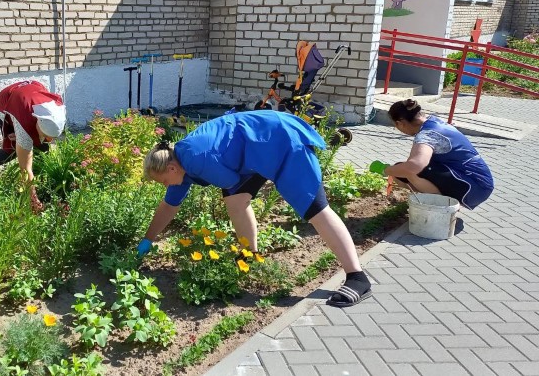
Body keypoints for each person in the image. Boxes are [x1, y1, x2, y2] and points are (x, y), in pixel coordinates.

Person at [137, 110, 371, 307]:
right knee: (235, 201)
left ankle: (357, 278)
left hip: (281, 142)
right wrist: (147, 240)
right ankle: (249, 255)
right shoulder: (180, 164)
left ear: (170, 169)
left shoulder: (194, 157)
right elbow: (169, 206)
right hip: (257, 148)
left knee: (315, 208)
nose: (166, 186)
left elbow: (229, 180)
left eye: (164, 182)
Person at [385, 99, 494, 209]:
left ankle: (440, 207)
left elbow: (414, 166)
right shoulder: (433, 121)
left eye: (395, 126)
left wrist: (386, 170)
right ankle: (443, 204)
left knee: (409, 171)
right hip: (479, 182)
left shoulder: (427, 135)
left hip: (474, 187)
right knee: (402, 170)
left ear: (400, 123)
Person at [0, 80, 67, 212]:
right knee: (12, 150)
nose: (49, 139)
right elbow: (25, 169)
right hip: (7, 101)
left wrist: (35, 136)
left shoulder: (57, 111)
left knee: (42, 147)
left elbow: (44, 135)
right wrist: (34, 200)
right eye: (45, 134)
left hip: (30, 94)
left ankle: (43, 182)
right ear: (37, 123)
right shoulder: (25, 124)